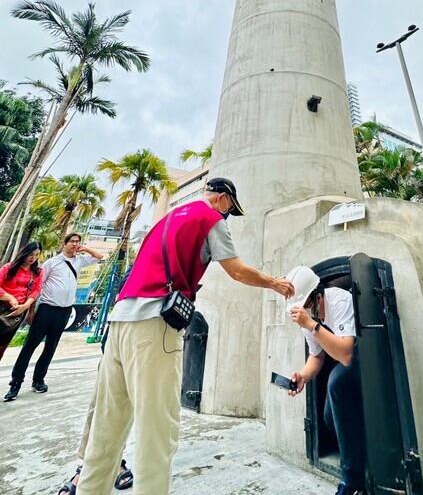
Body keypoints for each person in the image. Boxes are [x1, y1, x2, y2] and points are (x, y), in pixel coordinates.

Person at [75, 177, 295, 495]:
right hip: (153, 326)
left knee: (107, 425)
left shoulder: (167, 218)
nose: (227, 217)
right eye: (229, 210)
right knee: (158, 429)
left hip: (120, 320)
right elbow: (236, 270)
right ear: (222, 198)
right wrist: (274, 282)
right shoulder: (210, 219)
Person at [288, 266, 366, 495]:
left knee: (335, 382)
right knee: (329, 418)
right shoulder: (306, 317)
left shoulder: (339, 300)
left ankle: (352, 480)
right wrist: (303, 375)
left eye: (307, 305)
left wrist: (312, 324)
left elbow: (346, 353)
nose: (304, 311)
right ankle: (363, 450)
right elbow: (317, 355)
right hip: (339, 360)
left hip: (362, 354)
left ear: (317, 294)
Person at [4, 232, 105, 401]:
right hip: (46, 309)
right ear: (64, 244)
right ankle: (16, 383)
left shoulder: (79, 261)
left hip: (64, 311)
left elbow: (100, 257)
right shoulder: (52, 262)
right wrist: (32, 311)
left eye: (77, 242)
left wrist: (85, 248)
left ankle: (38, 380)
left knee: (51, 347)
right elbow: (37, 287)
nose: (74, 244)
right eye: (71, 241)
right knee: (30, 345)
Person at [0, 241, 44, 361]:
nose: (33, 258)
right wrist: (10, 297)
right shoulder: (9, 267)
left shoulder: (37, 272)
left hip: (18, 312)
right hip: (2, 306)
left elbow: (36, 290)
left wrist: (25, 306)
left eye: (37, 255)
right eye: (31, 254)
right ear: (24, 253)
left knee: (3, 345)